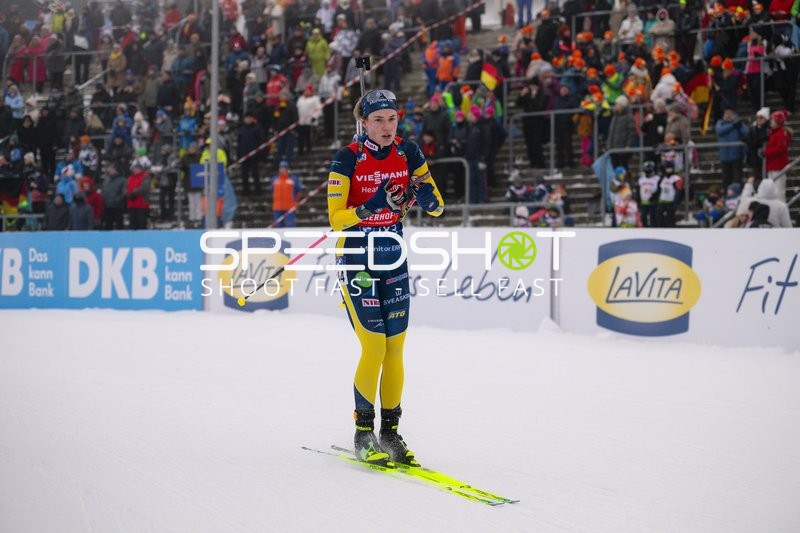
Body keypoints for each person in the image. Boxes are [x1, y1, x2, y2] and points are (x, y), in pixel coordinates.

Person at [327, 89, 444, 466]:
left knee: (395, 347)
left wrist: (427, 199)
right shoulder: (347, 158)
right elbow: (336, 218)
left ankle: (390, 433)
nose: (386, 127)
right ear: (364, 122)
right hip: (357, 258)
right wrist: (370, 205)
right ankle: (363, 433)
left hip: (393, 258)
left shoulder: (409, 152)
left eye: (392, 119)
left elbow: (438, 204)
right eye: (378, 120)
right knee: (374, 346)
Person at [271, 161, 302, 227]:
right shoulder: (274, 179)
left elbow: (298, 192)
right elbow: (272, 191)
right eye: (281, 168)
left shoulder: (293, 179)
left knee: (290, 225)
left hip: (289, 207)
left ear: (287, 169)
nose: (283, 169)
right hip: (277, 207)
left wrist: (296, 202)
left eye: (284, 168)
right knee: (278, 226)